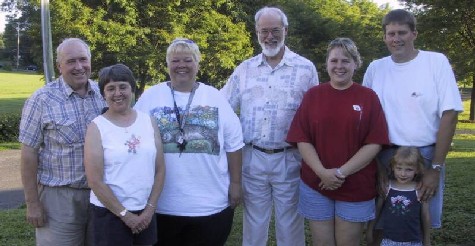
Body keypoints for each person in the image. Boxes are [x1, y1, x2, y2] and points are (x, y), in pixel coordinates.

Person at [221, 6, 319, 246]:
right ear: (256, 32)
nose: (269, 36)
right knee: (254, 222)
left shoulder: (305, 69)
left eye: (275, 30)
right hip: (252, 156)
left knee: (290, 222)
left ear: (285, 30)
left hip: (290, 156)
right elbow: (222, 105)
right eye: (264, 31)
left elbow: (315, 117)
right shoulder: (244, 69)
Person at [134, 38, 244, 246]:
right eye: (175, 61)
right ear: (167, 65)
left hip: (210, 205)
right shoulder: (150, 98)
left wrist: (236, 184)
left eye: (188, 60)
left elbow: (234, 144)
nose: (181, 66)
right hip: (162, 205)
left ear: (198, 63)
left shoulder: (215, 98)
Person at [363, 9, 463, 230]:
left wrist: (435, 168)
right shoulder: (375, 68)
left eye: (402, 32)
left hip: (426, 155)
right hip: (385, 156)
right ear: (384, 36)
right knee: (380, 222)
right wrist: (376, 166)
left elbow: (450, 114)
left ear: (414, 34)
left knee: (421, 222)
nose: (396, 39)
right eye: (391, 34)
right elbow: (366, 120)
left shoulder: (436, 62)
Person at [286, 37, 390, 246]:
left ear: (355, 63)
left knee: (348, 242)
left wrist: (340, 173)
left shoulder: (368, 97)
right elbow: (301, 138)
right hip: (316, 183)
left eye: (345, 61)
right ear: (326, 64)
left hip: (355, 184)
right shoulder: (313, 95)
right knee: (322, 242)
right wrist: (322, 172)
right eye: (334, 61)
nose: (339, 66)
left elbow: (375, 142)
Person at [19, 38, 107, 245]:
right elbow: (28, 154)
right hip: (59, 200)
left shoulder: (104, 94)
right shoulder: (41, 100)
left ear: (90, 61)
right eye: (71, 61)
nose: (79, 67)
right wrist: (32, 203)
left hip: (101, 196)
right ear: (60, 66)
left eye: (83, 60)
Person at [84, 64, 165, 245]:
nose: (117, 93)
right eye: (110, 88)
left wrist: (149, 209)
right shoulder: (97, 127)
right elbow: (95, 180)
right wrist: (125, 215)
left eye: (123, 86)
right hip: (109, 215)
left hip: (145, 213)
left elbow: (160, 169)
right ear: (103, 94)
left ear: (132, 89)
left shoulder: (148, 122)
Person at [368, 147, 431, 246]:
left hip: (413, 241)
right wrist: (369, 230)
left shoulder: (420, 189)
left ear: (417, 170)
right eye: (399, 168)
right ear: (393, 167)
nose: (403, 174)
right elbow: (376, 210)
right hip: (388, 240)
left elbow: (425, 216)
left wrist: (427, 240)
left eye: (409, 170)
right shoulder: (387, 187)